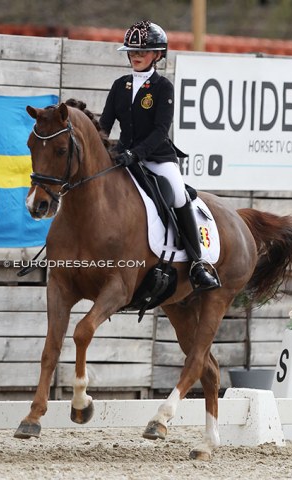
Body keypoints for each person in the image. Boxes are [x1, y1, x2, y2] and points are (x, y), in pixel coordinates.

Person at [99, 20, 219, 291]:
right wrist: (103, 148)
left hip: (157, 157)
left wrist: (136, 153)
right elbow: (104, 125)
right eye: (132, 51)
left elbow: (160, 130)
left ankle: (198, 262)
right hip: (124, 157)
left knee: (177, 194)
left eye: (143, 51)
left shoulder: (162, 87)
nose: (136, 56)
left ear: (158, 54)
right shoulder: (120, 86)